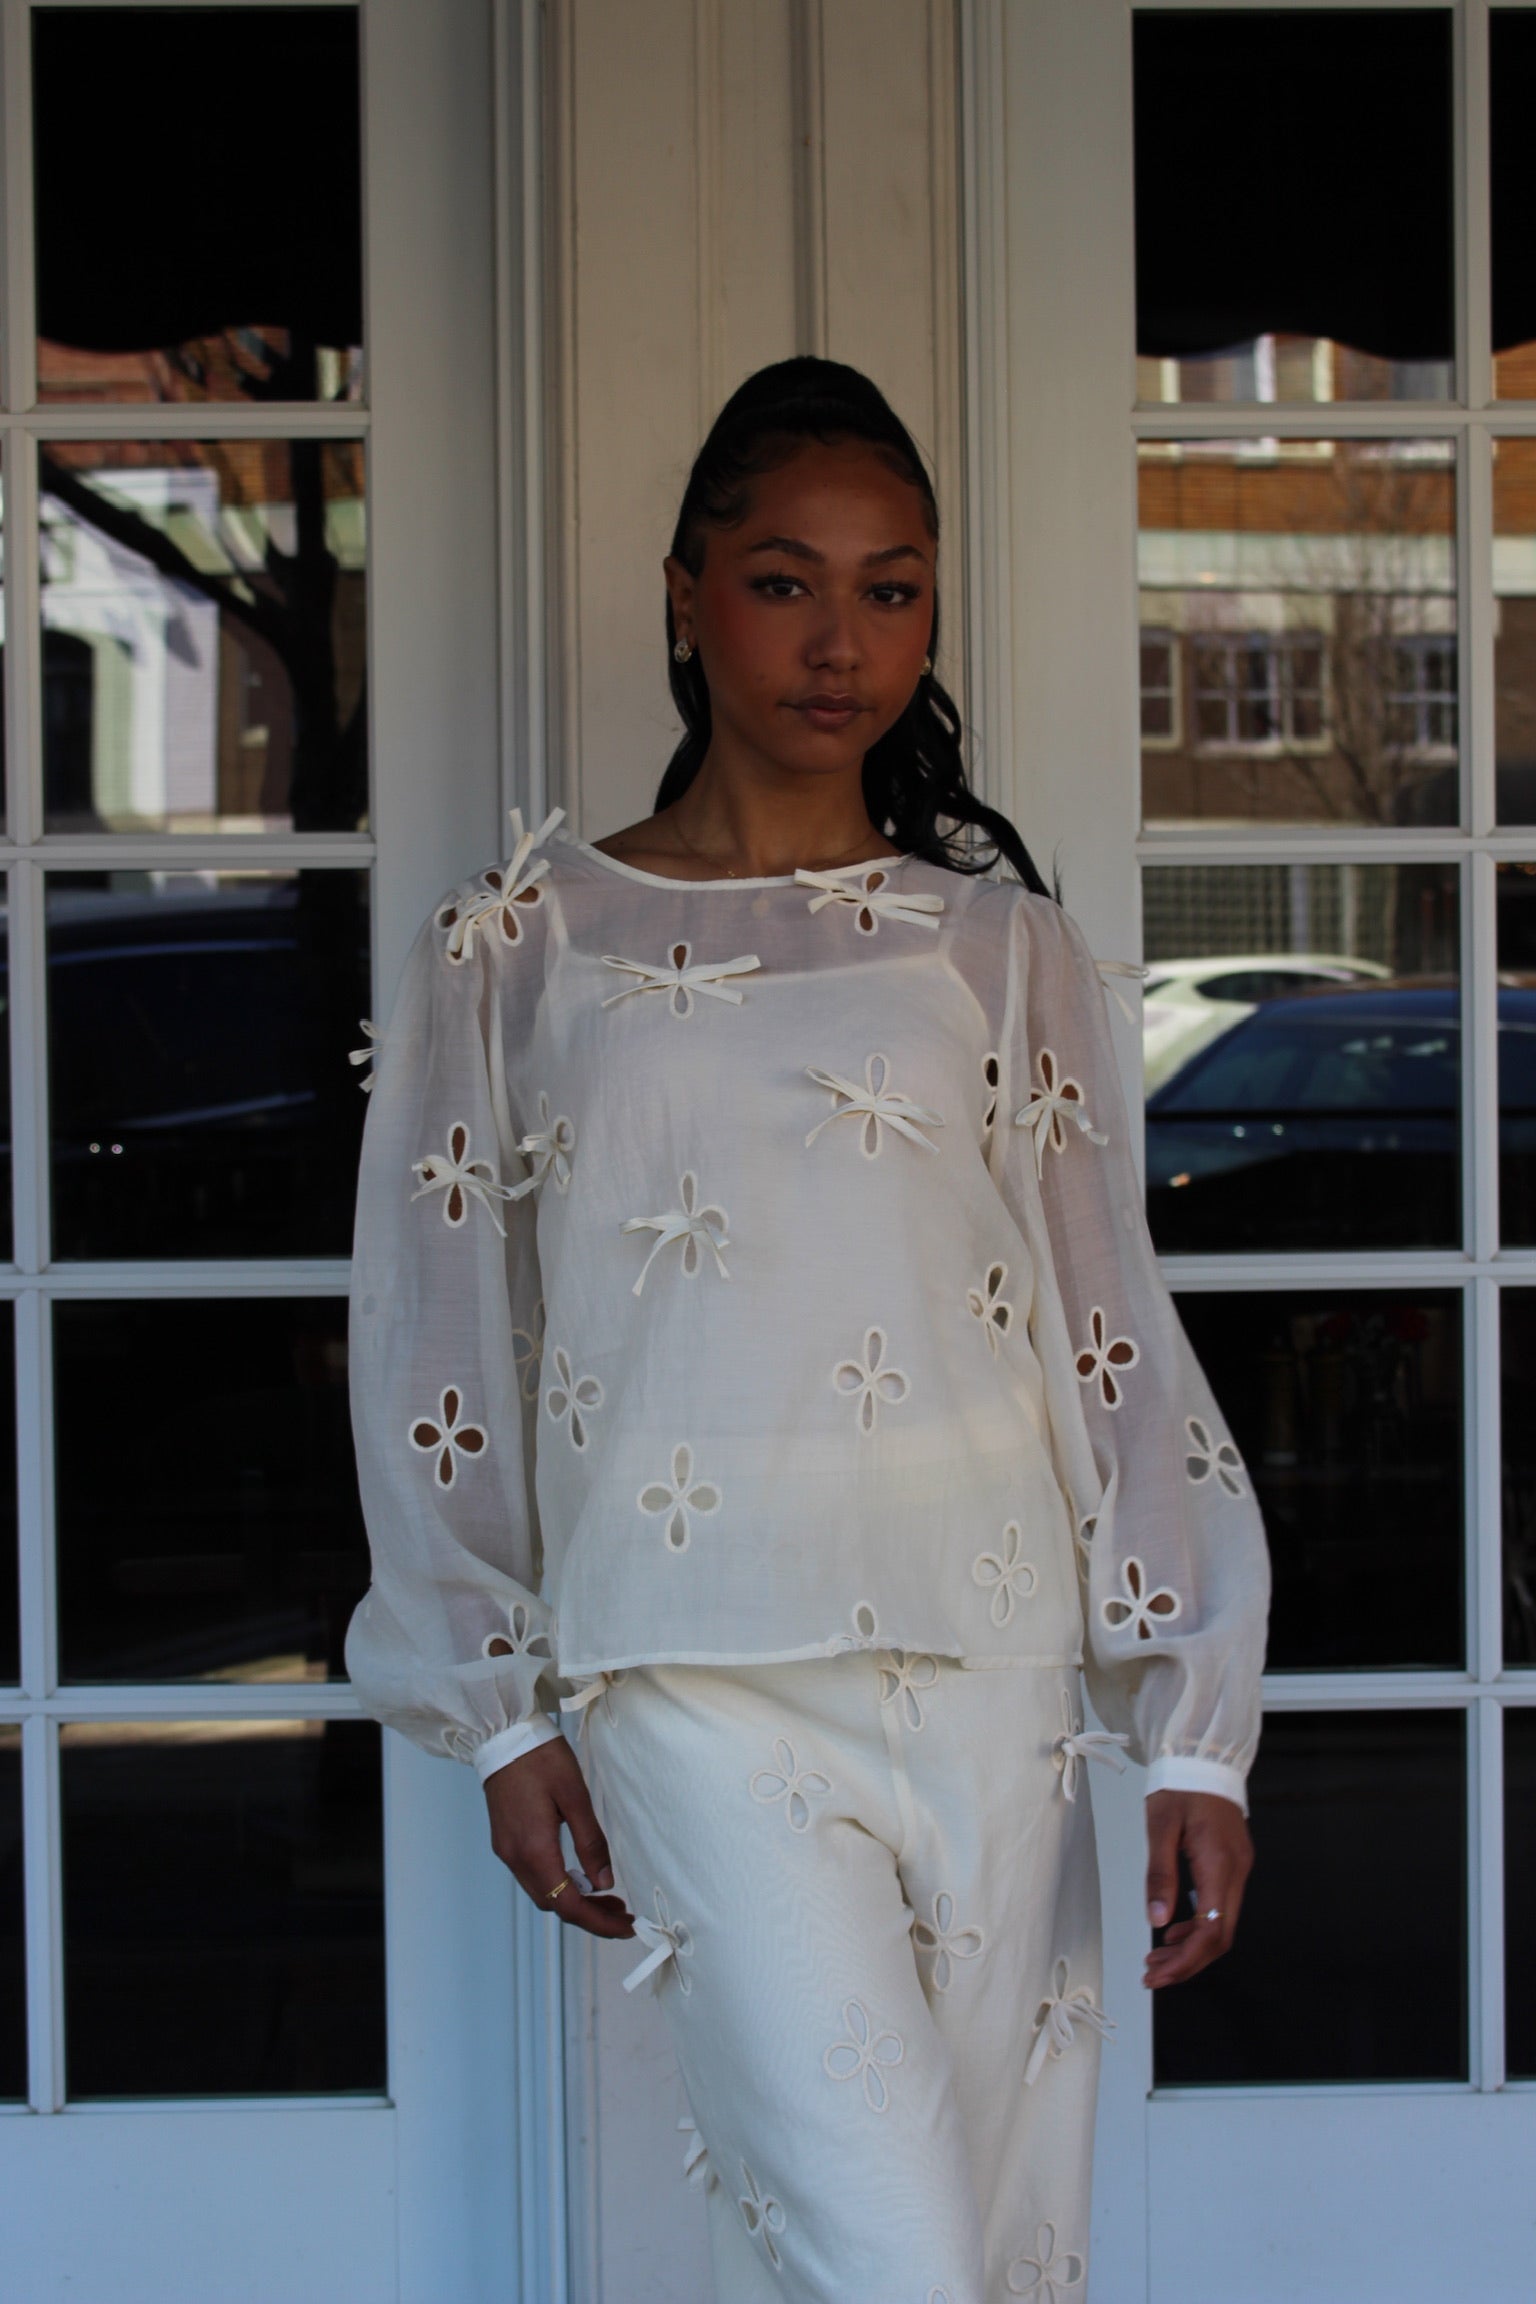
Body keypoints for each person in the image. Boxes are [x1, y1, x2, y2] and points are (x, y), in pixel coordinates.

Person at [345, 357, 1269, 2302]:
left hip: (990, 1660)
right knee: (892, 2259)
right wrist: (500, 1702)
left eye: (889, 588)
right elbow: (435, 1345)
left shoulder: (997, 946)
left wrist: (1195, 1721)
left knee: (998, 2250)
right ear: (686, 598)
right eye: (784, 582)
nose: (840, 641)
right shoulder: (519, 944)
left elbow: (1110, 1327)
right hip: (689, 1671)